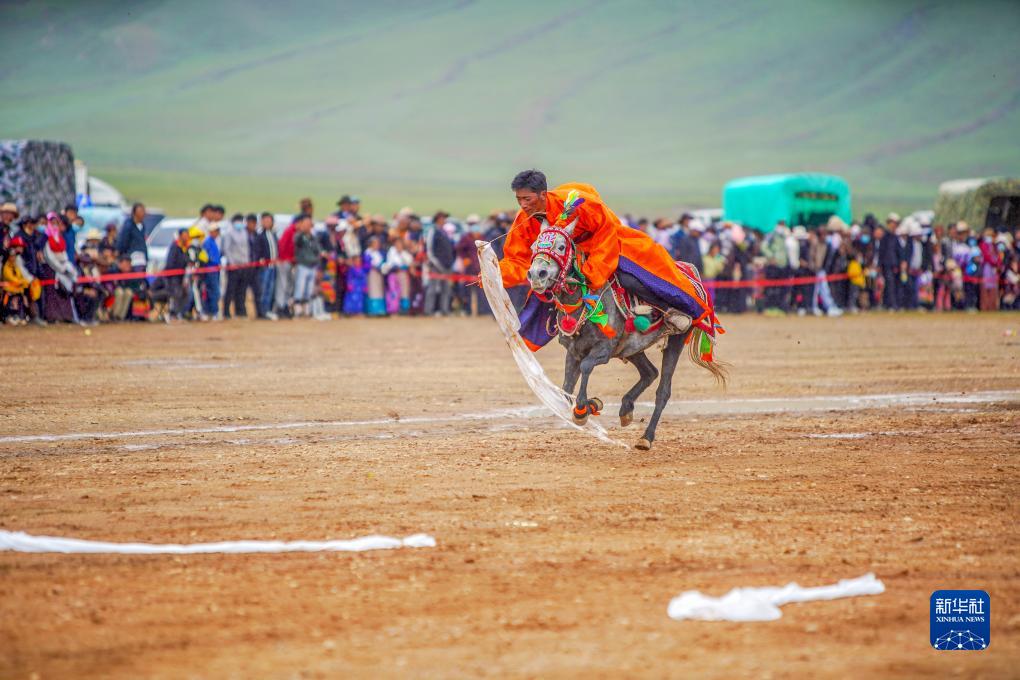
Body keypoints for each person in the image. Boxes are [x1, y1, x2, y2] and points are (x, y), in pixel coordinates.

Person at [499, 170, 718, 351]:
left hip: (606, 243)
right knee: (544, 291)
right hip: (568, 257)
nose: (522, 204)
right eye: (519, 199)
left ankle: (669, 312)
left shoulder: (579, 203)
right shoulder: (523, 219)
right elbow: (517, 257)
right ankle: (544, 337)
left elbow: (605, 234)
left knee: (632, 275)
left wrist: (592, 271)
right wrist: (495, 274)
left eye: (526, 199)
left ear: (543, 194)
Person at [424, 211, 455, 316]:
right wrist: (436, 264)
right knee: (432, 289)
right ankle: (428, 311)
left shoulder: (444, 232)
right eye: (443, 218)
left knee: (446, 289)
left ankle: (445, 310)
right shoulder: (433, 231)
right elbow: (429, 250)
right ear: (438, 219)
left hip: (447, 265)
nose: (445, 220)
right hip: (436, 266)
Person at [221, 213, 251, 319]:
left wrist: (247, 262)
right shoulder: (229, 233)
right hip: (233, 266)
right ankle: (226, 312)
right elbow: (227, 249)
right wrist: (232, 263)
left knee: (242, 290)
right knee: (230, 289)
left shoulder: (244, 232)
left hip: (244, 265)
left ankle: (240, 311)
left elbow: (246, 248)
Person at [292, 214, 320, 317]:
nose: (308, 226)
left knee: (309, 289)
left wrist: (317, 262)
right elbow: (296, 243)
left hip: (312, 266)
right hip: (302, 265)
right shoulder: (299, 236)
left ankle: (306, 309)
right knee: (300, 287)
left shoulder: (313, 237)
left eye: (309, 223)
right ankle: (297, 309)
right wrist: (302, 231)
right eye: (306, 223)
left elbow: (318, 251)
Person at [253, 212, 278, 320]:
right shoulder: (259, 236)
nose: (267, 223)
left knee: (270, 289)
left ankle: (267, 310)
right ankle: (261, 311)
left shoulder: (273, 234)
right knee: (262, 289)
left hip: (273, 266)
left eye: (269, 220)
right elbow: (256, 251)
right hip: (264, 267)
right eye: (265, 220)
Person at [163, 228, 191, 320]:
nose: (186, 238)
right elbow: (170, 263)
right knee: (176, 294)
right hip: (173, 277)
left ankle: (181, 313)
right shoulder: (175, 246)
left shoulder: (186, 248)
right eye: (184, 236)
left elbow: (187, 261)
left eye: (187, 236)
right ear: (180, 236)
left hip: (182, 276)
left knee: (186, 293)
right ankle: (173, 314)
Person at [117, 203, 148, 272]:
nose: (143, 213)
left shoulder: (142, 226)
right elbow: (123, 243)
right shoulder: (128, 226)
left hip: (142, 259)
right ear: (135, 213)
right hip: (132, 259)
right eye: (141, 211)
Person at [202, 222, 222, 319]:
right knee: (213, 291)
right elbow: (207, 258)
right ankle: (212, 311)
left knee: (215, 291)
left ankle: (212, 311)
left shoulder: (214, 242)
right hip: (210, 270)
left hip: (215, 270)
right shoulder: (207, 242)